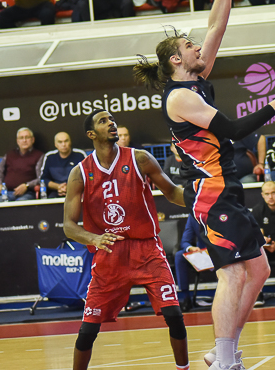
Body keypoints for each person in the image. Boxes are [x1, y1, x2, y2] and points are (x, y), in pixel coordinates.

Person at [137, 0, 275, 370]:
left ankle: (223, 348)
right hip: (210, 195)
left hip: (226, 187)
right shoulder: (180, 97)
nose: (198, 47)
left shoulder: (195, 78)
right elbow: (231, 130)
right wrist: (273, 106)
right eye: (189, 46)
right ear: (176, 60)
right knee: (231, 274)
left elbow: (217, 25)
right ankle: (225, 359)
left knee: (260, 271)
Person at [63, 110, 189, 370]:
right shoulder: (80, 172)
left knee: (174, 315)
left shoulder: (139, 158)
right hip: (109, 253)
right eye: (103, 121)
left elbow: (172, 192)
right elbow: (69, 226)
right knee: (88, 331)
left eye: (112, 119)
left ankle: (184, 368)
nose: (112, 123)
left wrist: (204, 200)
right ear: (91, 134)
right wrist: (94, 238)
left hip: (146, 249)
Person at [0, 127, 44, 202]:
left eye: (27, 137)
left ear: (33, 140)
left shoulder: (39, 156)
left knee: (20, 206)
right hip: (7, 192)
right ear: (17, 141)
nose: (24, 140)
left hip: (28, 193)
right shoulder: (10, 154)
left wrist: (27, 185)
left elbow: (41, 177)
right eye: (21, 138)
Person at [174, 214, 208, 311]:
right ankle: (186, 298)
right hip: (202, 254)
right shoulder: (193, 216)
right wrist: (191, 248)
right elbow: (185, 241)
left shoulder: (220, 211)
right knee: (179, 256)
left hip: (221, 252)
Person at [38, 132, 86, 199]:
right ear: (55, 144)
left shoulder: (80, 155)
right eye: (60, 142)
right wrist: (58, 187)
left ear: (70, 142)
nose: (63, 144)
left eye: (66, 141)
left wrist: (69, 188)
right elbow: (44, 179)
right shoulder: (49, 157)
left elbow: (87, 176)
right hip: (56, 191)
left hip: (77, 191)